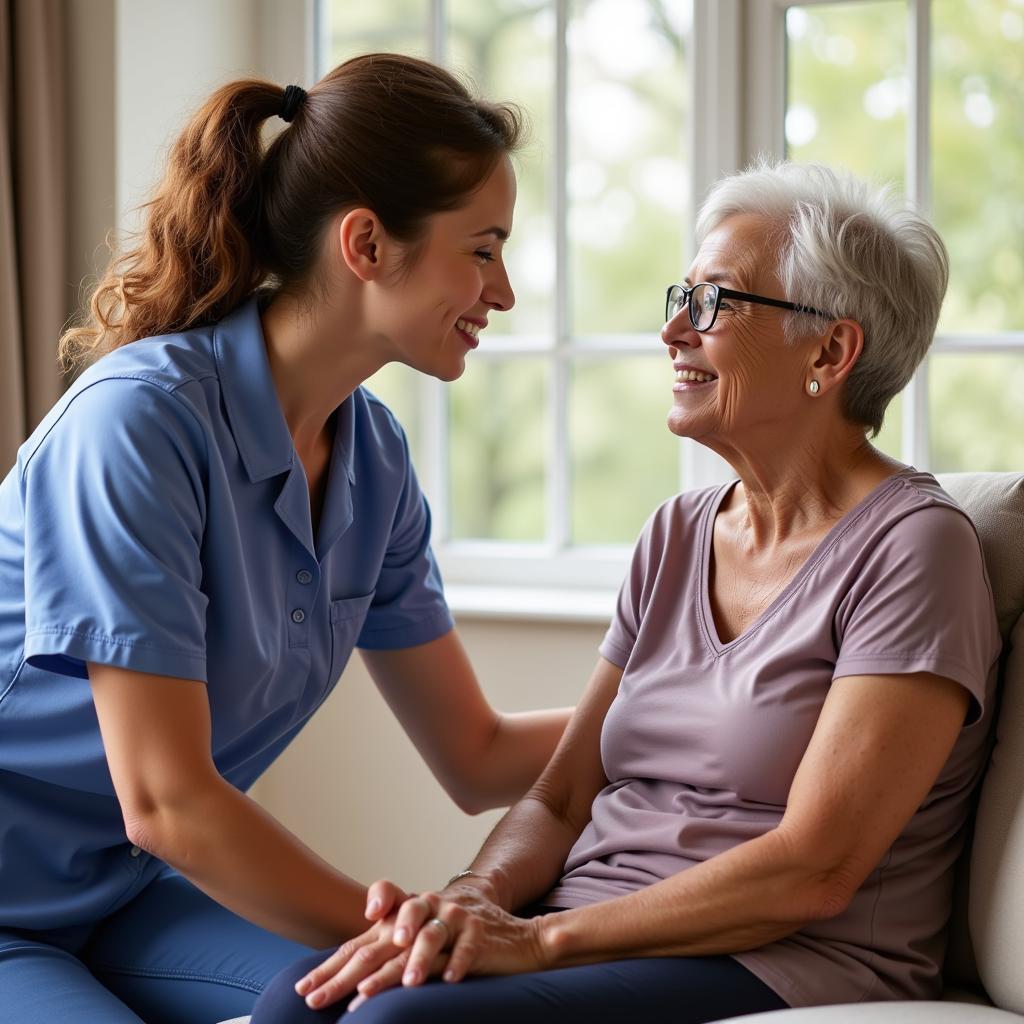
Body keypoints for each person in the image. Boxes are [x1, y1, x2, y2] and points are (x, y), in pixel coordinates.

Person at [250, 161, 1002, 1024]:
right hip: (589, 928)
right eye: (678, 297)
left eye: (714, 303)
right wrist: (470, 900)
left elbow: (814, 869)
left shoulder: (915, 550)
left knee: (395, 1021)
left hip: (777, 958)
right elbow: (562, 796)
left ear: (830, 351)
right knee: (296, 1002)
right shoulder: (678, 534)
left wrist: (536, 942)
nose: (674, 330)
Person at [0, 53, 572, 1024]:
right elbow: (169, 804)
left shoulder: (374, 460)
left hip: (122, 897)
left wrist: (699, 708)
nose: (505, 290)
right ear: (366, 244)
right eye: (481, 249)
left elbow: (473, 754)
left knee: (410, 1009)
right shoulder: (138, 424)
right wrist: (404, 922)